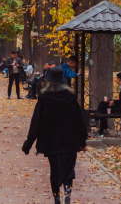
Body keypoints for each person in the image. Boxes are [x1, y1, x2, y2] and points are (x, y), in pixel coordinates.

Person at [22, 67, 88, 204]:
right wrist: (82, 141)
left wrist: (28, 143)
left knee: (55, 169)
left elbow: (36, 122)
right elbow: (80, 121)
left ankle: (57, 197)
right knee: (69, 167)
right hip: (70, 140)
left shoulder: (44, 100)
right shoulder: (71, 99)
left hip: (51, 141)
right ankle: (68, 190)